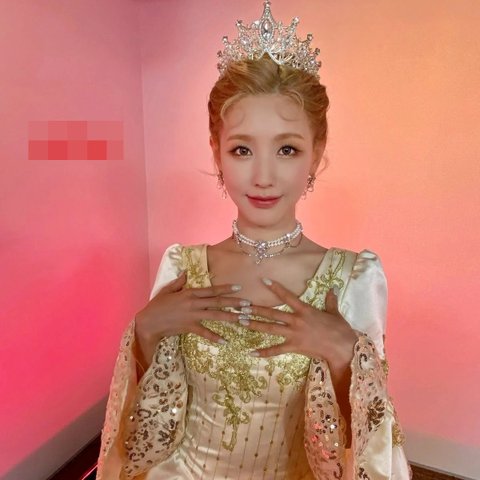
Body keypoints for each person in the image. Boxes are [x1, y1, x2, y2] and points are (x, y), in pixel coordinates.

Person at [96, 1, 412, 478]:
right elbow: (147, 421)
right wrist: (142, 332)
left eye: (287, 149)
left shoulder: (352, 280)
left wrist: (347, 356)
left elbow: (370, 442)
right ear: (216, 153)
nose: (263, 176)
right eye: (242, 149)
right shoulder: (182, 267)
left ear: (316, 155)